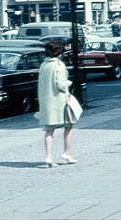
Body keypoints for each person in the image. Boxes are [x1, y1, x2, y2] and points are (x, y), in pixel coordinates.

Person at [37, 40, 76, 168]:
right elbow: (60, 85)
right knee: (69, 126)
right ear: (60, 52)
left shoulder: (44, 65)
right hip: (60, 101)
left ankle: (48, 157)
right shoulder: (59, 65)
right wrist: (69, 83)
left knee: (49, 130)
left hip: (46, 101)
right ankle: (67, 153)